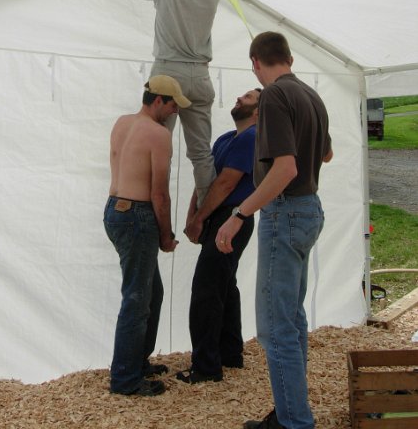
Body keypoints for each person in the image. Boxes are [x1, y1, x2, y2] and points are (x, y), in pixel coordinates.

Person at [216, 32, 333, 429]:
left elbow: (285, 169)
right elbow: (326, 153)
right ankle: (289, 413)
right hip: (309, 209)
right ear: (289, 58)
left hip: (285, 212)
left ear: (255, 62)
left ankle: (294, 422)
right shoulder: (310, 95)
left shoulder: (275, 97)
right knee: (292, 320)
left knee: (275, 327)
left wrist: (240, 214)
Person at [104, 75, 188, 396]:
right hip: (137, 215)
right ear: (159, 101)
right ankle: (125, 379)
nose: (175, 111)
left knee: (152, 292)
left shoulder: (122, 123)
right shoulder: (158, 134)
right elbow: (159, 194)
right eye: (173, 105)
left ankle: (136, 361)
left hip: (114, 210)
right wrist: (166, 235)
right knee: (137, 299)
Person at [131, 0, 221, 208]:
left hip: (168, 74)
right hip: (200, 77)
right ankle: (209, 215)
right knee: (201, 154)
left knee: (158, 147)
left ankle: (151, 211)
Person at [176, 88, 261, 384]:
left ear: (258, 111)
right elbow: (205, 180)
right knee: (224, 284)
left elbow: (226, 184)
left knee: (207, 289)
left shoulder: (252, 137)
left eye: (248, 97)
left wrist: (200, 218)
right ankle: (229, 353)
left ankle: (206, 366)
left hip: (233, 217)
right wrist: (193, 215)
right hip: (217, 214)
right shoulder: (227, 138)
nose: (239, 98)